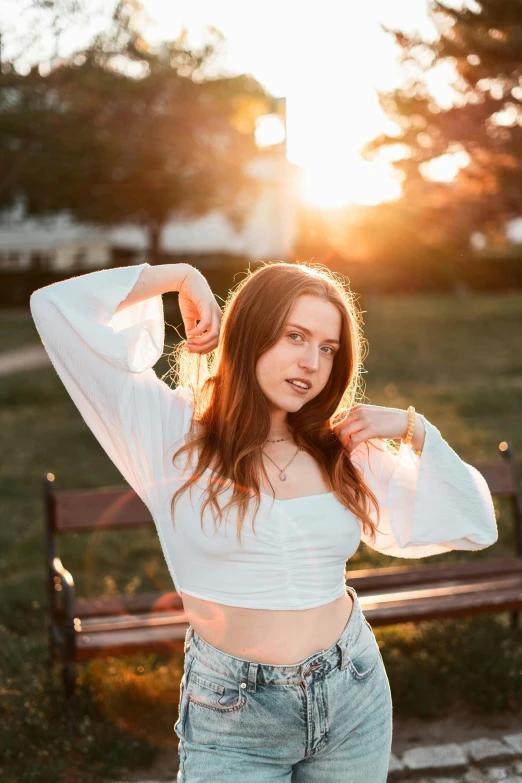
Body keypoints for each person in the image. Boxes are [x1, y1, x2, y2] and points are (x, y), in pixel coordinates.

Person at [30, 260, 498, 782]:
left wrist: (414, 428)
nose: (312, 362)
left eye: (327, 348)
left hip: (353, 689)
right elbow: (54, 308)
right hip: (233, 714)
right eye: (295, 335)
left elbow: (475, 524)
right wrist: (180, 276)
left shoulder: (339, 447)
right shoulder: (168, 434)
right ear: (249, 332)